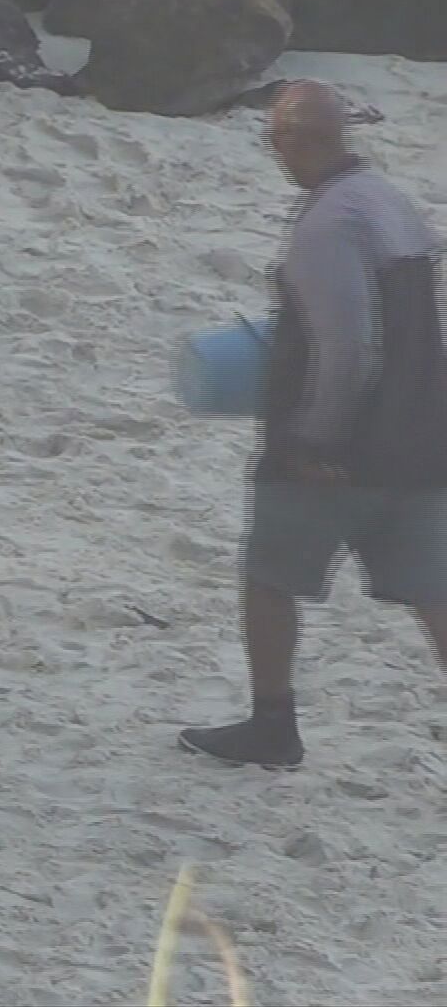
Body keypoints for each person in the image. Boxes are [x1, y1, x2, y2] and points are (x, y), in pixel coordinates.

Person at [178, 80, 447, 769]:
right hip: (418, 442)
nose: (273, 149)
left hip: (341, 454)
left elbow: (350, 347)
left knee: (267, 577)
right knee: (431, 590)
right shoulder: (389, 200)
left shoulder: (328, 224)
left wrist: (311, 440)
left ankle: (272, 727)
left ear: (302, 138)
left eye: (277, 136)